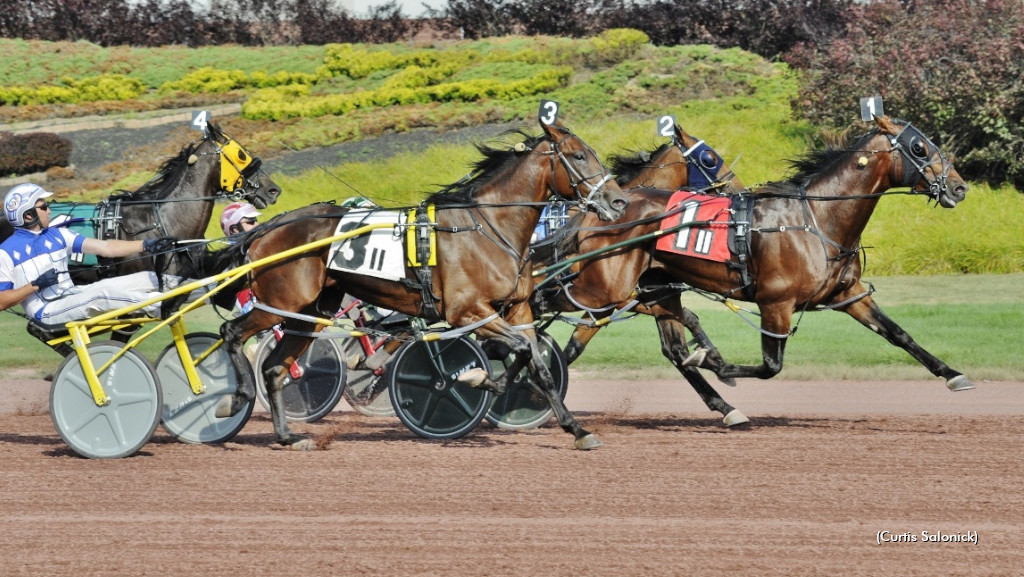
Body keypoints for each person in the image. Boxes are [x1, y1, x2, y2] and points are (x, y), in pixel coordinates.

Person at [0, 183, 180, 327]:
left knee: (146, 278)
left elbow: (106, 247)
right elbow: (2, 301)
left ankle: (203, 289)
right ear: (29, 216)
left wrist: (146, 245)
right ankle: (161, 307)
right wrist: (34, 285)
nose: (49, 210)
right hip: (47, 311)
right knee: (103, 293)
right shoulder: (5, 253)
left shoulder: (58, 235)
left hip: (73, 295)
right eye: (44, 206)